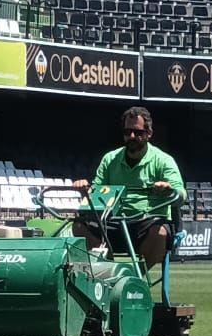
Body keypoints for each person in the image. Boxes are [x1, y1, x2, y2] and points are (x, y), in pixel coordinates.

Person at [73, 106, 184, 271]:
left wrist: (169, 190)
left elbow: (181, 196)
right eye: (127, 132)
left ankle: (135, 276)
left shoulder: (164, 161)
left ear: (149, 133)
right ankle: (111, 273)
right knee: (79, 225)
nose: (132, 136)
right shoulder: (110, 159)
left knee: (160, 232)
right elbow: (95, 192)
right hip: (113, 223)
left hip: (147, 224)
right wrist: (85, 190)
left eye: (138, 132)